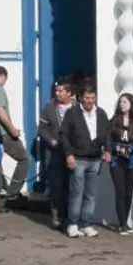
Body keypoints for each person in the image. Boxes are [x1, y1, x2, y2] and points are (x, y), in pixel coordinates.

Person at [59, 84, 111, 238]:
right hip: (78, 158)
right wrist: (69, 154)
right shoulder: (72, 113)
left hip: (95, 159)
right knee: (77, 192)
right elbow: (64, 135)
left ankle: (86, 223)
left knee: (91, 194)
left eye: (93, 98)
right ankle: (73, 223)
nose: (90, 101)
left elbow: (107, 134)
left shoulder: (101, 113)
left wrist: (107, 150)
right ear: (81, 97)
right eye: (87, 98)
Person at [0, 66, 30, 201]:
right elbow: (0, 112)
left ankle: (1, 193)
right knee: (25, 159)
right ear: (3, 77)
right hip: (3, 133)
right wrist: (13, 130)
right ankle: (12, 192)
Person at [37, 78, 75, 229]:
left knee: (71, 185)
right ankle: (56, 215)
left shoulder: (76, 108)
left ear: (69, 93)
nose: (57, 93)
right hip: (54, 153)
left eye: (61, 91)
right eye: (56, 91)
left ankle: (69, 216)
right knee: (56, 185)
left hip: (72, 152)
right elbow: (41, 129)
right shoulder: (49, 108)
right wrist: (50, 140)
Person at [107, 93, 133, 235]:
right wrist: (114, 148)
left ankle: (125, 223)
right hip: (117, 161)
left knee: (129, 193)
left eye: (125, 102)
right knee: (120, 192)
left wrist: (132, 149)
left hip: (132, 161)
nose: (122, 104)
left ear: (131, 104)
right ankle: (122, 224)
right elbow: (108, 139)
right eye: (120, 102)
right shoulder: (113, 121)